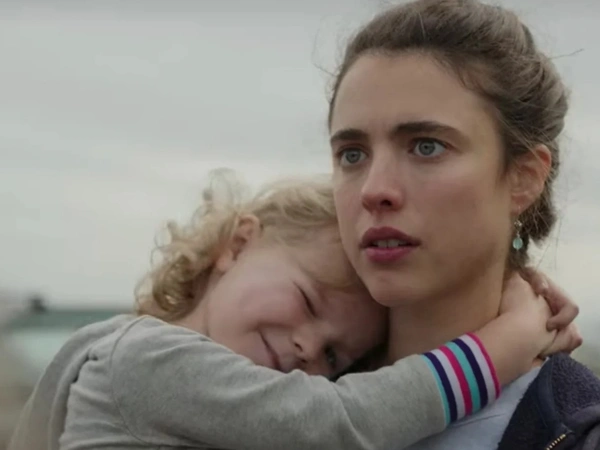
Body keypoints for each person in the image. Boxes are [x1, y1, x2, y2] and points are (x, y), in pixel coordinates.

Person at [9, 174, 579, 450]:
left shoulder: (239, 406)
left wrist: (505, 278)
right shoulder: (145, 361)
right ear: (237, 246)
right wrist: (514, 335)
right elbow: (346, 418)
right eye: (307, 300)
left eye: (333, 358)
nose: (308, 347)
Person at [326, 0, 600, 448]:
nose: (374, 190)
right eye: (352, 154)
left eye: (427, 146)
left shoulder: (578, 432)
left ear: (524, 178)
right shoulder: (272, 387)